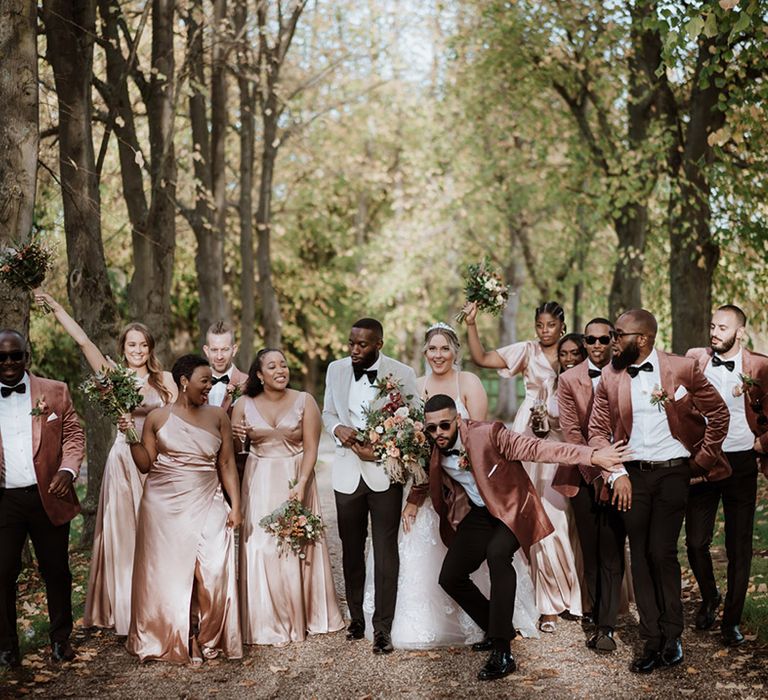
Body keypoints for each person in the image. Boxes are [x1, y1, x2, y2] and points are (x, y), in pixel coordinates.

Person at [402, 395, 629, 680]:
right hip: (481, 512)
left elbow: (537, 447)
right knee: (450, 576)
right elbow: (424, 476)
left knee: (498, 554)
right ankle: (497, 626)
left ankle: (502, 650)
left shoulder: (489, 433)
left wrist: (592, 456)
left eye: (444, 426)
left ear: (458, 420)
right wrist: (413, 500)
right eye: (431, 428)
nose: (438, 434)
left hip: (512, 508)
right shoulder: (432, 445)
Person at [363, 322, 538, 646]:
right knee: (446, 571)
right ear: (425, 352)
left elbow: (481, 441)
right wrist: (415, 498)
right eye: (432, 348)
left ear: (455, 352)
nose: (438, 354)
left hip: (489, 495)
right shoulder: (414, 386)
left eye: (444, 348)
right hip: (445, 490)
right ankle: (488, 626)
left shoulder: (468, 382)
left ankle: (500, 637)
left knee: (496, 556)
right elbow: (423, 450)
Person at [588, 309, 730, 674]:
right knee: (639, 555)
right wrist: (615, 472)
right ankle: (651, 640)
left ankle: (673, 635)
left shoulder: (682, 369)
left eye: (619, 335)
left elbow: (719, 414)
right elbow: (598, 432)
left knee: (661, 551)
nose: (613, 341)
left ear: (644, 339)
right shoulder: (609, 376)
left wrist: (701, 459)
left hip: (673, 474)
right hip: (631, 477)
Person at [36, 292, 176, 637]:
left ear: (151, 348)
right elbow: (83, 341)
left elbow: (179, 420)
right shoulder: (113, 374)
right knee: (125, 534)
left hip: (156, 462)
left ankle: (162, 603)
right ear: (123, 347)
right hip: (123, 461)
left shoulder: (166, 380)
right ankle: (126, 611)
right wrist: (56, 308)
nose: (138, 350)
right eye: (132, 344)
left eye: (143, 345)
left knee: (158, 533)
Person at [463, 300, 581, 632]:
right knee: (532, 514)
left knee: (561, 514)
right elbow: (482, 358)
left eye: (551, 326)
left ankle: (573, 593)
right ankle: (545, 604)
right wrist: (472, 323)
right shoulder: (527, 351)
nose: (545, 331)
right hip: (527, 434)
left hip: (561, 436)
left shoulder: (573, 351)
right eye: (540, 325)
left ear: (562, 325)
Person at [126, 355, 242, 664]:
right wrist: (129, 436)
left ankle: (209, 636)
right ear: (183, 382)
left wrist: (237, 505)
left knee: (214, 569)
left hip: (209, 497)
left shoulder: (218, 416)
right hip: (163, 504)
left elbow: (227, 463)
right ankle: (183, 636)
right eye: (204, 380)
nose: (209, 387)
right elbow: (145, 464)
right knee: (172, 574)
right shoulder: (156, 417)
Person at [232, 348, 344, 645]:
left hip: (295, 476)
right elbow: (232, 451)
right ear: (259, 374)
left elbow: (312, 447)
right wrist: (235, 434)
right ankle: (262, 621)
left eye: (283, 364)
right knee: (260, 548)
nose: (280, 370)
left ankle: (303, 616)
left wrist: (302, 484)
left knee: (294, 548)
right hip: (257, 480)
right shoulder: (242, 404)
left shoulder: (304, 401)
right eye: (272, 366)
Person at [322, 318, 418, 655]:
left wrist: (379, 448)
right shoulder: (335, 369)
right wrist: (338, 431)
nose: (354, 350)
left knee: (385, 548)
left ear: (378, 343)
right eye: (351, 343)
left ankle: (383, 628)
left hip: (384, 471)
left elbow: (413, 423)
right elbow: (328, 412)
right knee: (350, 548)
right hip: (347, 473)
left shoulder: (402, 373)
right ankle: (356, 619)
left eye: (361, 345)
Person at [0, 329, 84, 667]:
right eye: (2, 357)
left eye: (15, 355)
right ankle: (7, 647)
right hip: (5, 501)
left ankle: (61, 640)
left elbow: (74, 435)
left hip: (49, 495)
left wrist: (68, 471)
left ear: (26, 356)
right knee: (2, 573)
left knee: (57, 571)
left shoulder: (55, 391)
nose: (8, 362)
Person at [685, 305, 768, 647]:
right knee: (694, 542)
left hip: (743, 462)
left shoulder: (761, 366)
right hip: (705, 460)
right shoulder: (695, 359)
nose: (715, 332)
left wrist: (761, 442)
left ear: (740, 332)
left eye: (723, 327)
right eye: (712, 325)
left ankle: (730, 621)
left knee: (739, 546)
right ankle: (709, 597)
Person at [553, 318, 627, 653]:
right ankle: (596, 611)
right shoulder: (568, 379)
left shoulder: (628, 372)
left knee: (612, 546)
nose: (597, 345)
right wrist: (597, 474)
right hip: (583, 474)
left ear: (614, 340)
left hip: (623, 474)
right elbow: (571, 433)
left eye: (603, 339)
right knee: (592, 547)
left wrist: (615, 474)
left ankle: (606, 624)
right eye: (591, 340)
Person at [203, 321, 248, 411]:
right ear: (206, 351)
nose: (219, 357)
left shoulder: (246, 382)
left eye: (225, 349)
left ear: (234, 350)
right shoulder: (195, 383)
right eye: (214, 350)